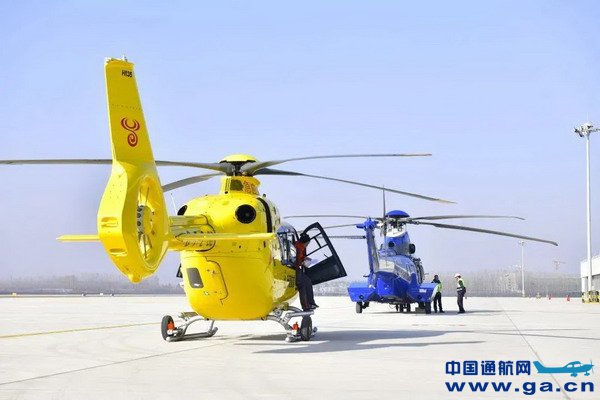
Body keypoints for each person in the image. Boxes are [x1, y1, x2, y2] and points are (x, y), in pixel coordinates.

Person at [294, 233, 318, 311]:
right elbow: (296, 260)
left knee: (308, 281)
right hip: (296, 270)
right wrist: (303, 262)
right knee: (303, 285)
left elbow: (299, 257)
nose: (307, 245)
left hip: (298, 270)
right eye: (307, 244)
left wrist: (305, 258)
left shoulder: (300, 247)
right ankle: (306, 306)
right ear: (304, 242)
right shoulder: (298, 248)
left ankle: (311, 303)